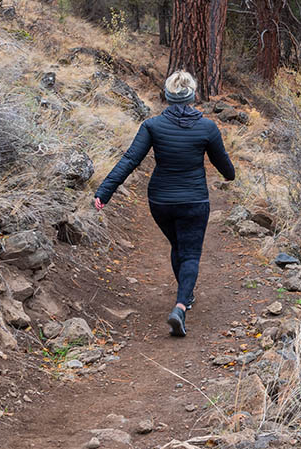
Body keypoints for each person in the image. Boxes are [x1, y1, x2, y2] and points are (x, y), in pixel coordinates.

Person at [93, 70, 235, 337]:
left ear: (167, 97)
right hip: (194, 200)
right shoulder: (207, 127)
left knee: (178, 245)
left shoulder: (152, 126)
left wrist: (104, 191)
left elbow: (129, 160)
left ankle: (185, 295)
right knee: (191, 252)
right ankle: (181, 306)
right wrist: (230, 175)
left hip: (161, 201)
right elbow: (224, 165)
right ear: (193, 95)